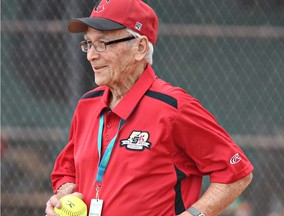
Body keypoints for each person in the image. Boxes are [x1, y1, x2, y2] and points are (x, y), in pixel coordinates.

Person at [45, 0, 253, 215]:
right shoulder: (87, 105)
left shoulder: (174, 108)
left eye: (103, 43)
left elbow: (237, 173)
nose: (91, 55)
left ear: (140, 47)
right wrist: (63, 193)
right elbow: (65, 170)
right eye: (88, 43)